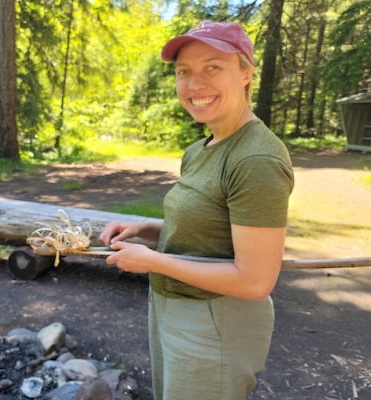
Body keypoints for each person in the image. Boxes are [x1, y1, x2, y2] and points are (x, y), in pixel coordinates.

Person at [98, 20, 294, 400]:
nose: (194, 84)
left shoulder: (256, 158)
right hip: (175, 309)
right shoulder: (201, 148)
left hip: (215, 323)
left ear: (246, 75)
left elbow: (255, 281)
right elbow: (209, 228)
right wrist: (146, 229)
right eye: (183, 72)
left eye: (213, 67)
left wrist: (154, 261)